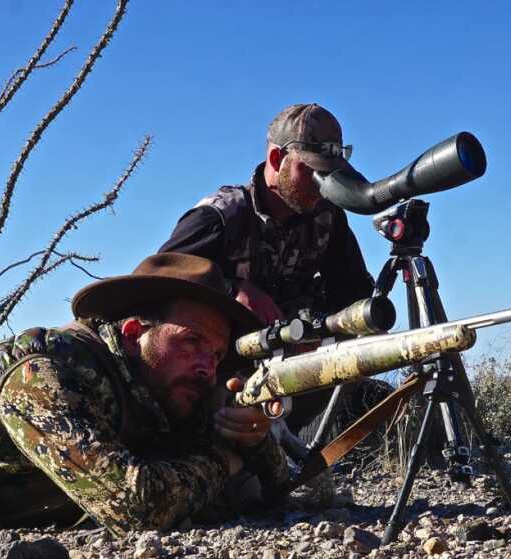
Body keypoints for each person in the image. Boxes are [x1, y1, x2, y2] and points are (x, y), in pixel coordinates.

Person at [0, 253, 288, 535]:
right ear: (132, 334)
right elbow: (134, 507)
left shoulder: (164, 392)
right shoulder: (42, 372)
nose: (207, 367)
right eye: (191, 341)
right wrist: (224, 461)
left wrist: (255, 439)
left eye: (217, 354)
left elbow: (292, 492)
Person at [159, 103, 375, 431]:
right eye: (312, 171)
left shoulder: (328, 217)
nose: (322, 186)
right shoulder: (219, 216)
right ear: (276, 159)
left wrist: (321, 333)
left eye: (329, 174)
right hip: (218, 376)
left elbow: (354, 292)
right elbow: (156, 283)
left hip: (297, 373)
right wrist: (231, 288)